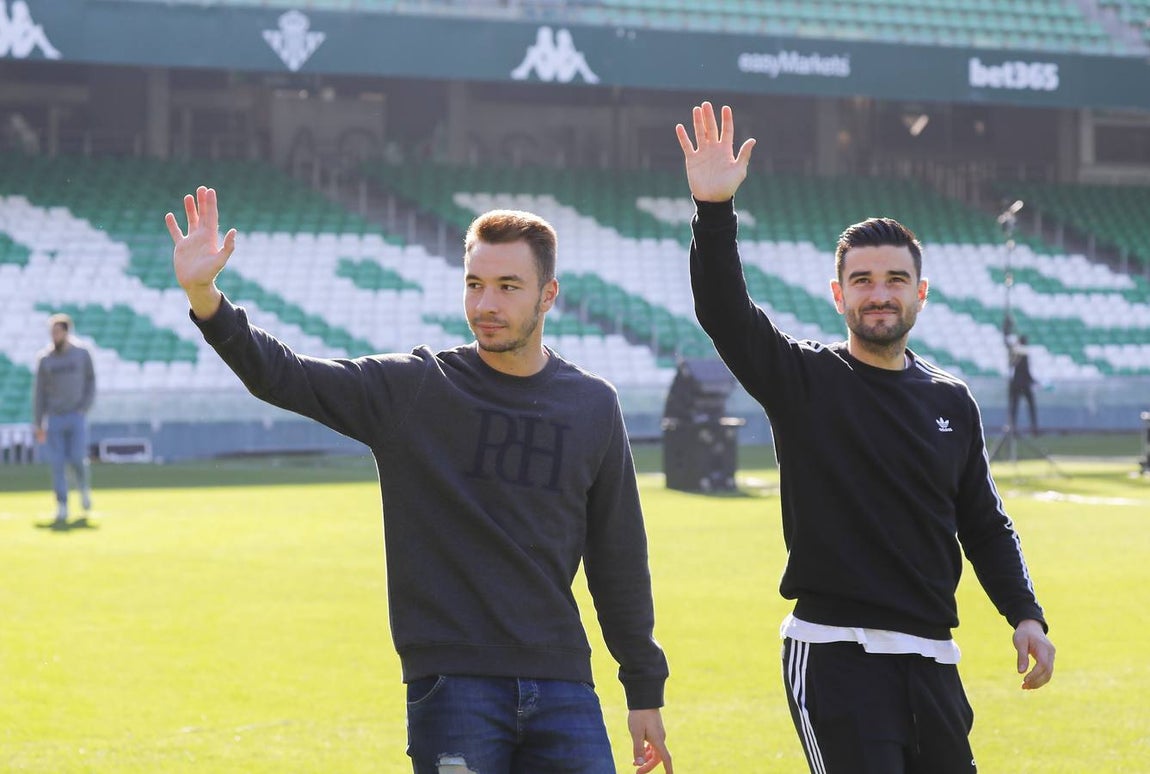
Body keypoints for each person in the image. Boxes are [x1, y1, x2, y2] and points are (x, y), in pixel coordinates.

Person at [165, 187, 672, 774]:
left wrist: (643, 691)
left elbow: (619, 559)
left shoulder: (592, 404)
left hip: (564, 684)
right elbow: (283, 376)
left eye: (508, 287)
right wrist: (205, 296)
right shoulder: (416, 388)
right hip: (454, 686)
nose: (486, 303)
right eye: (474, 284)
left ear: (547, 294)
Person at [676, 102, 1055, 773]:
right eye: (863, 282)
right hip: (836, 655)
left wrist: (1024, 612)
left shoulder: (951, 402)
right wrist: (713, 210)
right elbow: (725, 314)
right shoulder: (803, 379)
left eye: (894, 281)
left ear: (921, 293)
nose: (879, 294)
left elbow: (984, 523)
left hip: (933, 659)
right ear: (838, 294)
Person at [33, 313, 96, 527]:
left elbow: (91, 382)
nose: (54, 336)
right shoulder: (45, 359)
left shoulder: (81, 354)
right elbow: (39, 392)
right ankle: (62, 505)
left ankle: (84, 490)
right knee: (57, 463)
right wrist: (38, 422)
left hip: (76, 416)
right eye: (52, 332)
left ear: (67, 332)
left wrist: (83, 408)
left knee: (78, 458)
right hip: (54, 418)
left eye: (58, 331)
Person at [1008, 334, 1039, 436]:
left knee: (1014, 407)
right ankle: (1034, 428)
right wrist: (1033, 380)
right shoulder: (1023, 353)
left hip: (1015, 383)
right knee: (1030, 405)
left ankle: (1013, 428)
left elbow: (1012, 365)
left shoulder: (1015, 352)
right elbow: (1025, 370)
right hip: (1023, 384)